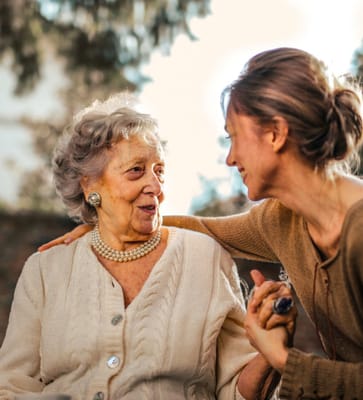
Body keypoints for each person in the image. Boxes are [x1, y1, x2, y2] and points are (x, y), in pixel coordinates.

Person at [41, 47, 363, 399]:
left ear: (275, 134)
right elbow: (205, 229)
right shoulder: (281, 221)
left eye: (234, 136)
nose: (230, 158)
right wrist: (108, 222)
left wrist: (281, 357)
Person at [0, 92, 295, 399]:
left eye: (160, 171)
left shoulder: (205, 258)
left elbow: (237, 391)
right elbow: (11, 387)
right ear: (90, 186)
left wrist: (269, 351)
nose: (155, 187)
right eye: (136, 170)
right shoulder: (46, 270)